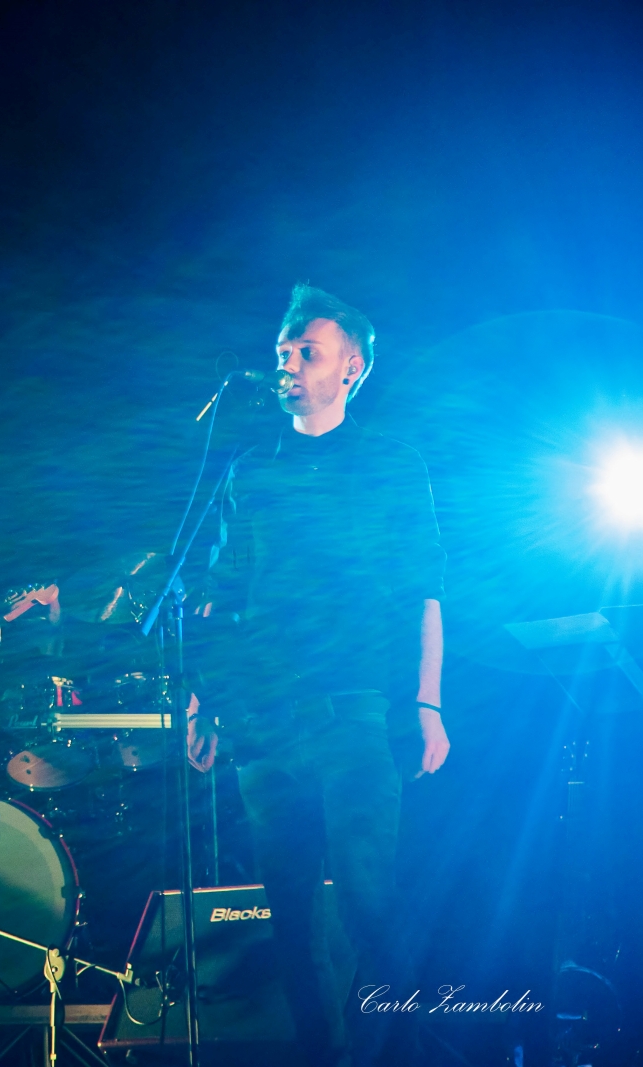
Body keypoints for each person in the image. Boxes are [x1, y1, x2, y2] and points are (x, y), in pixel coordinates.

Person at [186, 285, 451, 1067]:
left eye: (307, 352)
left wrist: (428, 702)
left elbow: (425, 594)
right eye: (282, 352)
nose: (289, 364)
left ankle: (399, 1054)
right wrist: (204, 700)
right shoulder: (249, 470)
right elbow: (220, 595)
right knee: (292, 922)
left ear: (351, 368)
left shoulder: (391, 464)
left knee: (370, 905)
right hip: (263, 722)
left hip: (354, 714)